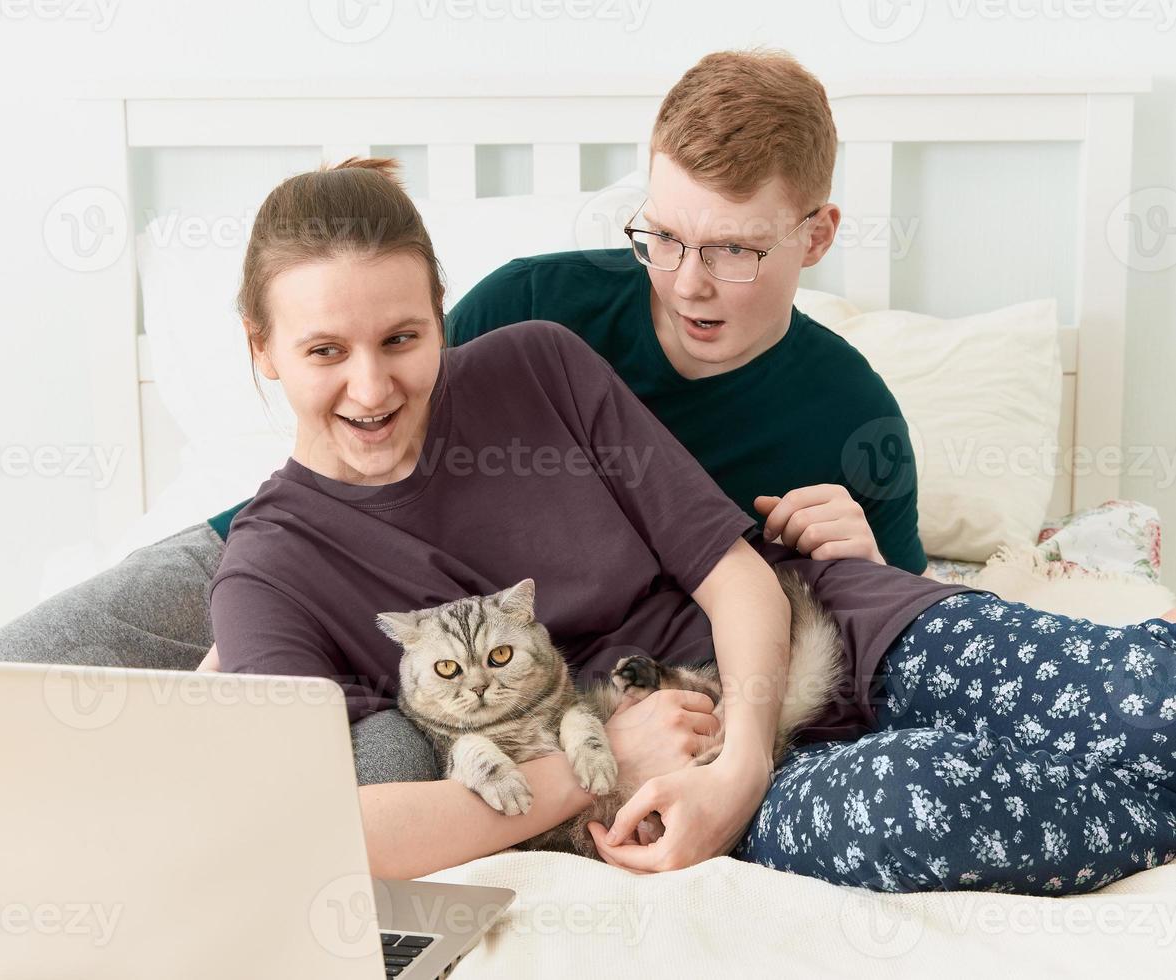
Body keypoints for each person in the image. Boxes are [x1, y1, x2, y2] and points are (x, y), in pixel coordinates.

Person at [206, 156, 1176, 896]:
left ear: (439, 315)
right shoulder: (271, 570)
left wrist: (745, 750)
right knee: (913, 807)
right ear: (262, 349)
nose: (371, 386)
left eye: (403, 338)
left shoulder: (538, 365)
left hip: (825, 634)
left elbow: (734, 576)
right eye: (325, 350)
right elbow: (314, 828)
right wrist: (595, 765)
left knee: (1151, 701)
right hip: (671, 791)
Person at [0, 49, 917, 789]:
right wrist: (254, 624)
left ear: (816, 235)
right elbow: (377, 425)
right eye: (662, 236)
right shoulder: (536, 306)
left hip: (480, 662)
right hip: (297, 555)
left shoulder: (849, 417)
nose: (685, 280)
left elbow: (873, 640)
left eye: (732, 250)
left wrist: (866, 562)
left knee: (286, 784)